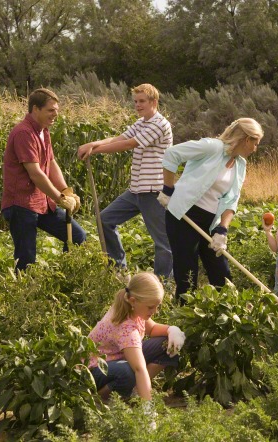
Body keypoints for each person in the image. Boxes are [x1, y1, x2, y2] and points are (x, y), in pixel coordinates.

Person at [157, 118, 263, 301]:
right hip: (183, 216)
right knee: (187, 276)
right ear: (247, 139)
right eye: (256, 143)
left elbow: (232, 199)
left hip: (211, 221)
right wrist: (168, 190)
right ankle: (184, 321)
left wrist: (222, 229)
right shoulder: (212, 147)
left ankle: (226, 316)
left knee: (221, 274)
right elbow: (172, 154)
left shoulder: (240, 165)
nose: (255, 148)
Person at [77, 84, 173, 277]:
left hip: (153, 191)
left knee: (163, 242)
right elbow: (119, 138)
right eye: (136, 102)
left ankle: (164, 284)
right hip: (136, 190)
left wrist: (95, 150)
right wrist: (93, 144)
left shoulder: (160, 124)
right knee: (104, 219)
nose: (138, 105)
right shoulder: (142, 122)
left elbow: (130, 144)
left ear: (154, 102)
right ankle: (119, 271)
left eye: (142, 101)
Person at [1, 88, 86, 272]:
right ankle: (23, 296)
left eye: (56, 110)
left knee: (77, 237)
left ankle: (66, 278)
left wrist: (65, 191)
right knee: (26, 259)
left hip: (43, 202)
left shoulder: (43, 131)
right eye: (50, 110)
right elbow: (36, 173)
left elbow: (51, 162)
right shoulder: (24, 133)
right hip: (21, 204)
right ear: (35, 109)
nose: (55, 114)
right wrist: (59, 198)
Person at [88, 272, 185, 402]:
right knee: (127, 372)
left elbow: (152, 328)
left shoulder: (133, 308)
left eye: (157, 306)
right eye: (151, 307)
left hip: (118, 358)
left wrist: (171, 330)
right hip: (96, 369)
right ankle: (99, 400)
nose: (155, 311)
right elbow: (139, 369)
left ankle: (135, 390)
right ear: (133, 301)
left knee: (167, 344)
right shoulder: (125, 328)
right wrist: (148, 408)